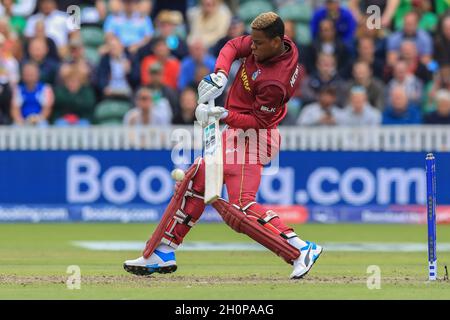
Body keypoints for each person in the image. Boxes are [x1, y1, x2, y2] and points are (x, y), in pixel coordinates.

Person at [123, 12, 323, 280]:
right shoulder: (273, 42)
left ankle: (299, 249)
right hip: (236, 133)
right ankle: (163, 251)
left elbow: (259, 122)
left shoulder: (275, 81)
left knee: (238, 203)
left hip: (255, 136)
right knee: (199, 181)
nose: (252, 47)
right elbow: (231, 46)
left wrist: (223, 115)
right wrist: (219, 74)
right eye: (252, 41)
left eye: (258, 44)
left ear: (276, 42)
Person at [11, 62, 54, 126]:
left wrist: (37, 119)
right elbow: (15, 109)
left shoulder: (46, 89)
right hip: (22, 120)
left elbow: (47, 109)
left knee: (43, 126)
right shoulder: (18, 90)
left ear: (38, 74)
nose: (29, 77)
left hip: (39, 120)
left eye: (32, 74)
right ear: (22, 75)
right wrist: (20, 120)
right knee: (15, 127)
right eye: (27, 74)